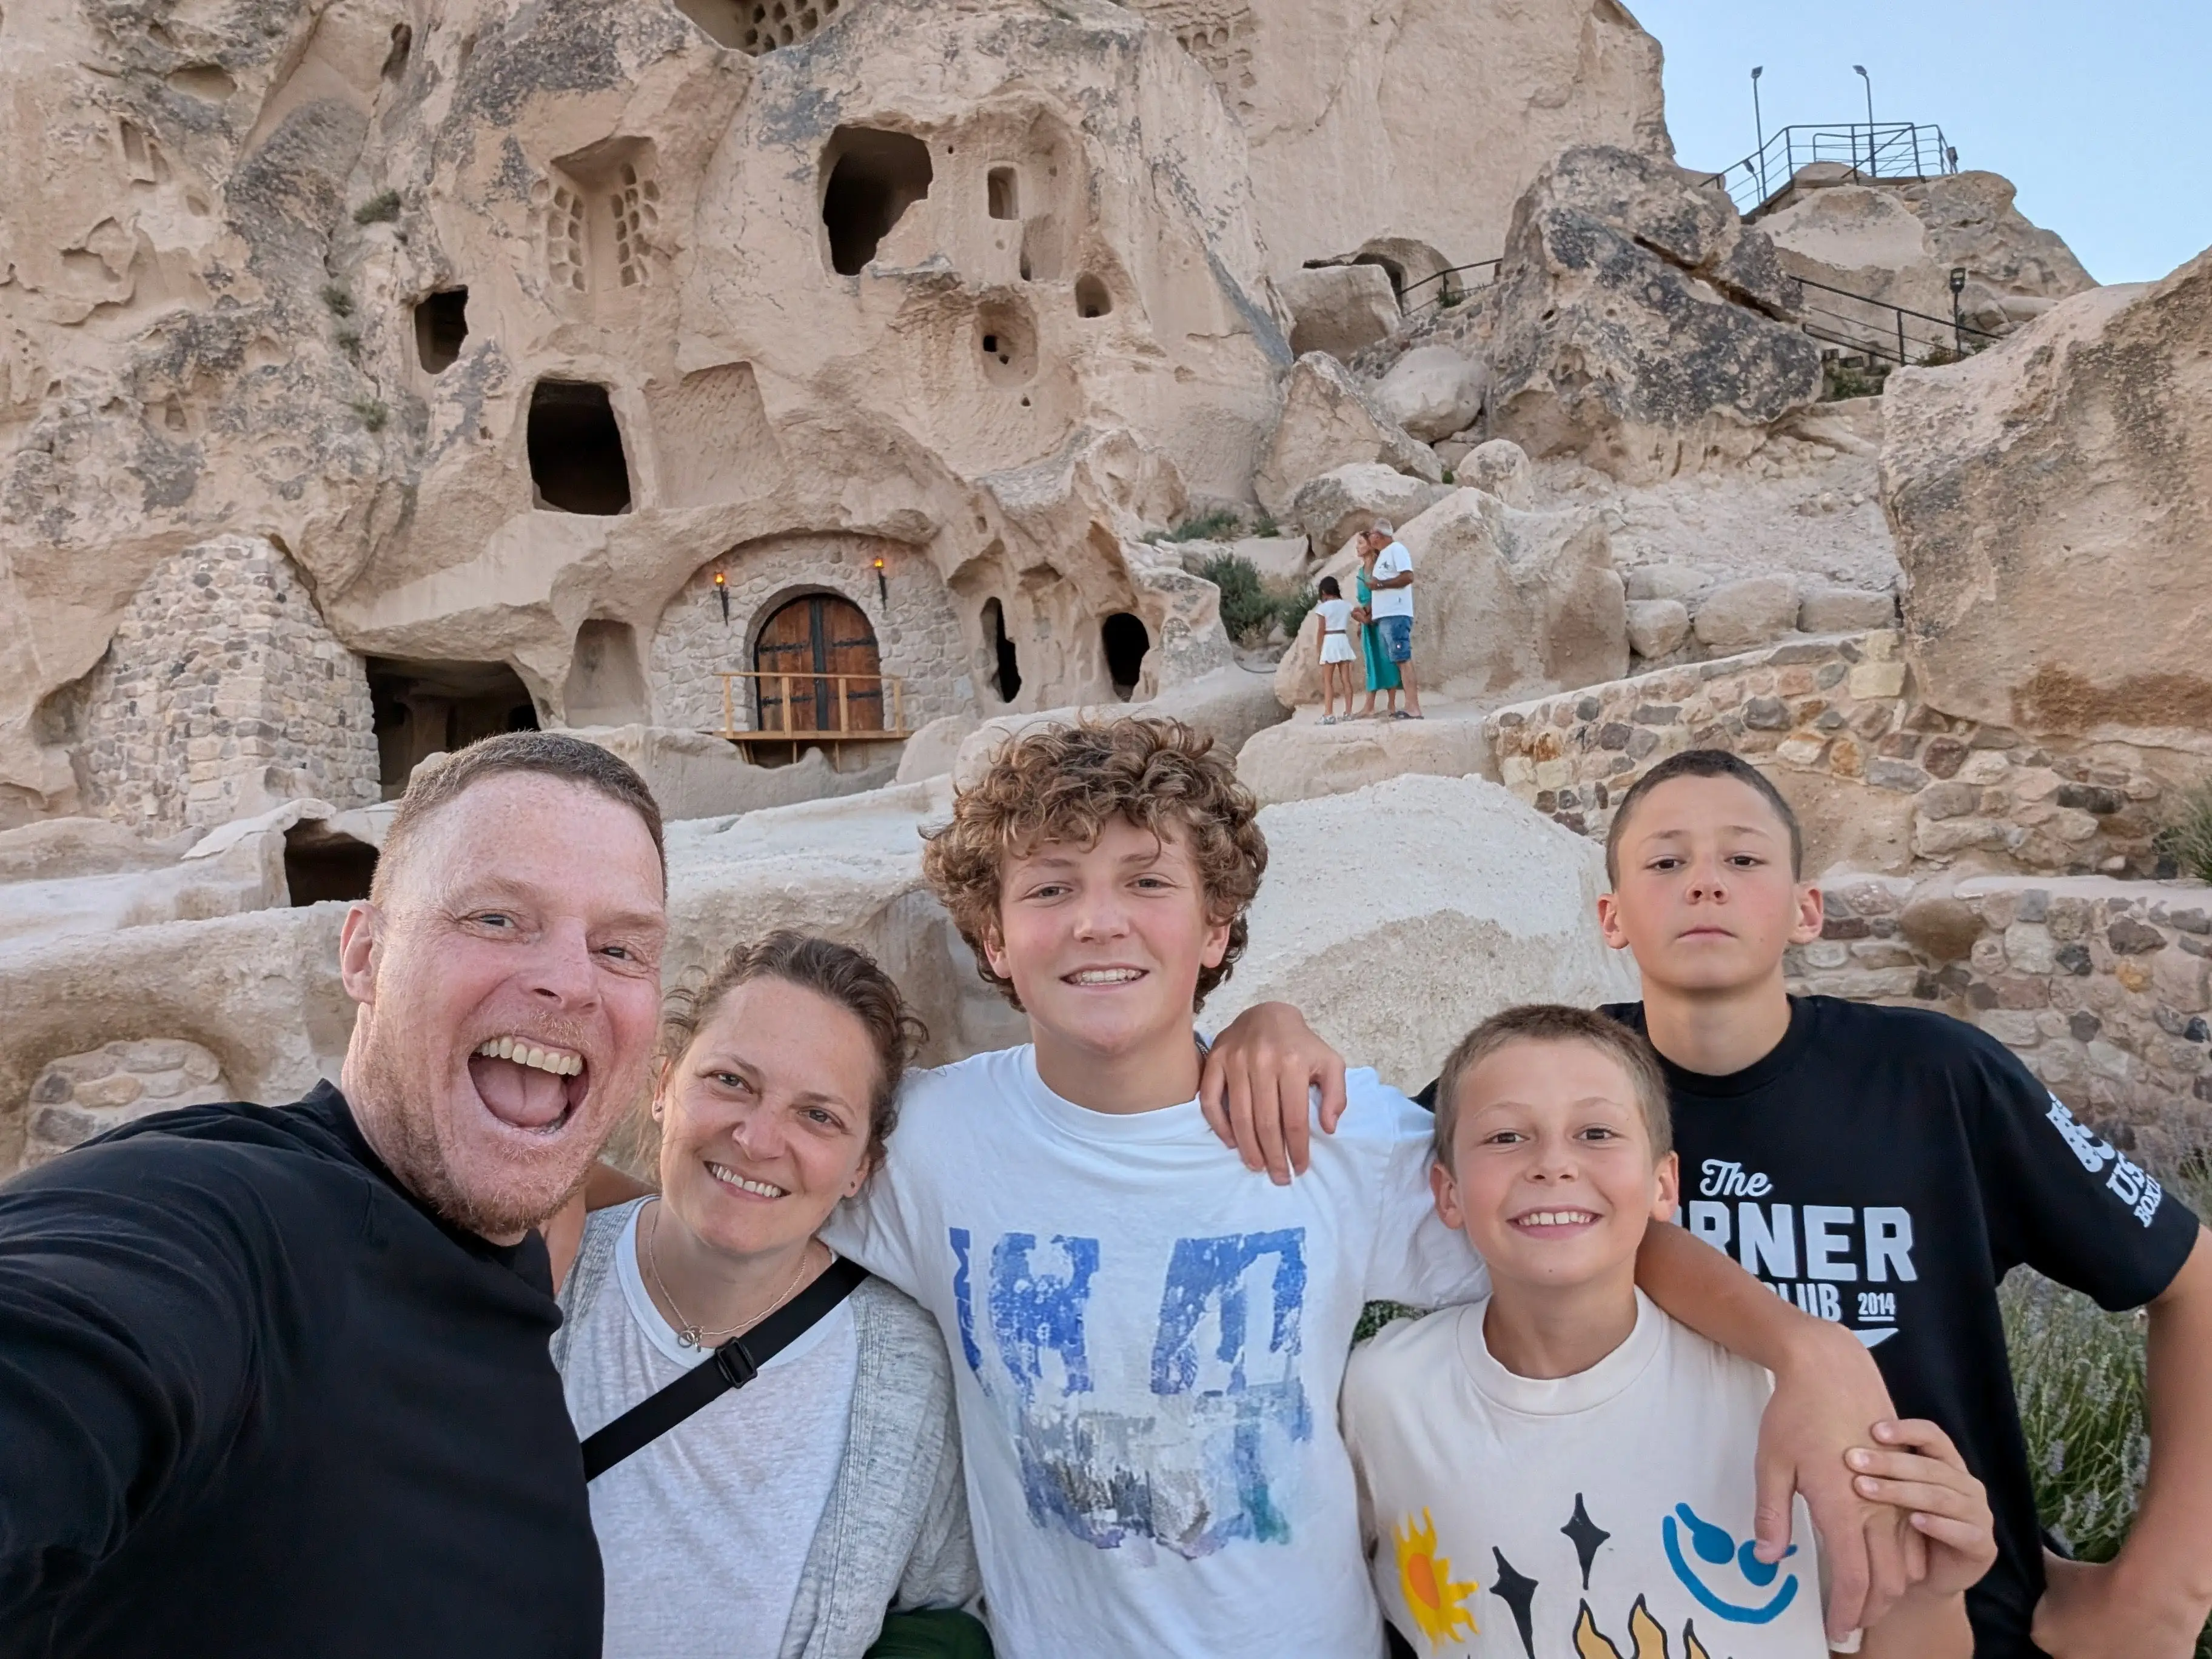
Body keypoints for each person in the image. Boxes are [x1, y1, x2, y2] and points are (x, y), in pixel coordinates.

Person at [812, 716, 1923, 1657]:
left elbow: (1579, 1226)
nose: (1097, 921)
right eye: (1049, 888)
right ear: (991, 937)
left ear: (1215, 927)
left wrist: (1798, 1347)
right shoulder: (931, 1140)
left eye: (1146, 881)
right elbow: (735, 1203)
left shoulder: (1326, 1133)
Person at [1204, 747, 2212, 1659]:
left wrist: (2162, 1588)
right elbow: (1424, 1170)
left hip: (1936, 1616)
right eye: (1662, 862)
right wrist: (1269, 1020)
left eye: (1741, 859)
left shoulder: (1934, 1077)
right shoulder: (1568, 1083)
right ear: (1608, 917)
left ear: (1806, 907)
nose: (1702, 882)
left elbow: (2191, 1278)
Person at [0, 732, 671, 1658]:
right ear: (362, 956)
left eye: (622, 947)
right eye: (495, 919)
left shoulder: (498, 1270)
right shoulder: (229, 1221)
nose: (570, 982)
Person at [1344, 1004, 1994, 1659]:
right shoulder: (1383, 1395)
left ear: (1664, 1185)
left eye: (1596, 1133)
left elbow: (1890, 1637)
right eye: (1507, 1137)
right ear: (1448, 1193)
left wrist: (1928, 1592)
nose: (1553, 1164)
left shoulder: (1787, 1398)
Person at [551, 932, 981, 1659]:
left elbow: (946, 1611)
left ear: (861, 1167)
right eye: (730, 1082)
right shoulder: (542, 1278)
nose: (756, 1139)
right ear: (662, 1088)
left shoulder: (906, 1368)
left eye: (819, 1116)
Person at [1364, 521, 1422, 719]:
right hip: (1387, 616)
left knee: (1403, 659)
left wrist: (1380, 584)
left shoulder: (1397, 549)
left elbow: (1408, 577)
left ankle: (1413, 707)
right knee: (1399, 660)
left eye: (1370, 534)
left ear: (1378, 535)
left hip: (1396, 614)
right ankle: (1410, 706)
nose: (1369, 538)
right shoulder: (1383, 556)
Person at [1355, 531, 1404, 720]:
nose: (1357, 547)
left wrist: (1372, 611)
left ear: (1370, 544)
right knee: (1372, 661)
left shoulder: (1378, 567)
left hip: (1382, 616)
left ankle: (1392, 705)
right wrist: (1361, 621)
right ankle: (1370, 706)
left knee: (1388, 659)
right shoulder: (1361, 572)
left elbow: (1382, 592)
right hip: (1367, 622)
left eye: (1360, 543)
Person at [1313, 574, 1358, 725]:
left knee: (1328, 681)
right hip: (1343, 639)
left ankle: (1329, 714)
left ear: (1324, 592)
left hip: (1330, 641)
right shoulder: (1346, 604)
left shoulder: (1323, 608)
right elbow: (1357, 614)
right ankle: (1349, 713)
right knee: (1346, 679)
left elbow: (1321, 630)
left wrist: (1319, 649)